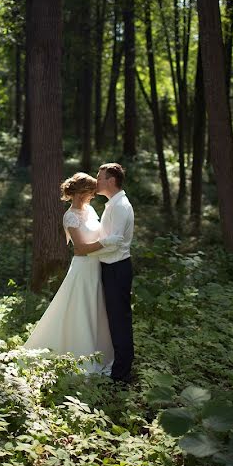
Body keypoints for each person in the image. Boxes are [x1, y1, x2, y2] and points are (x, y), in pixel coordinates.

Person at [23, 172, 122, 374]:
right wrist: (105, 243)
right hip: (83, 268)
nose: (94, 196)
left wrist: (109, 242)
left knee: (97, 311)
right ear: (81, 193)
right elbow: (79, 249)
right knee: (80, 310)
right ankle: (78, 359)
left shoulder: (90, 210)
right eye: (91, 193)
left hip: (97, 266)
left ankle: (100, 353)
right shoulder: (70, 216)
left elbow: (99, 233)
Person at [94, 163, 135, 383]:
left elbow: (114, 242)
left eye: (100, 177)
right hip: (111, 266)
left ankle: (121, 375)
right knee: (115, 319)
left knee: (120, 320)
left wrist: (88, 251)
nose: (96, 181)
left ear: (111, 180)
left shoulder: (120, 206)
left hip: (117, 268)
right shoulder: (113, 204)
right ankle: (119, 368)